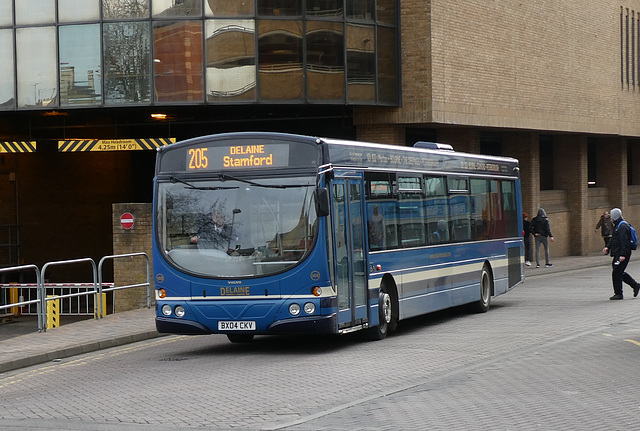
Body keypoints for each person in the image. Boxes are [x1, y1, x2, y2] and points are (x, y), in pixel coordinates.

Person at [602, 208, 640, 300]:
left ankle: (618, 293)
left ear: (615, 216)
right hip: (618, 253)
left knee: (616, 273)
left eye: (612, 216)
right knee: (618, 272)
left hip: (622, 254)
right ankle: (635, 285)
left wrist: (622, 255)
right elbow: (614, 238)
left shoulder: (622, 226)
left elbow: (624, 242)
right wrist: (608, 247)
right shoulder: (618, 225)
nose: (611, 218)